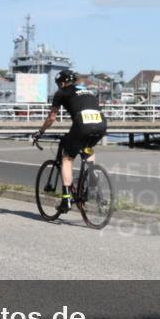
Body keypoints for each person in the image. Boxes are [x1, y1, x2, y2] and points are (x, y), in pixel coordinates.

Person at [32, 70, 108, 214]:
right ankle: (92, 182)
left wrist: (40, 132)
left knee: (67, 158)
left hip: (82, 124)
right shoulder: (88, 91)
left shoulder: (62, 92)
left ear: (62, 83)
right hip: (101, 124)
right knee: (88, 148)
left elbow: (51, 118)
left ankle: (66, 199)